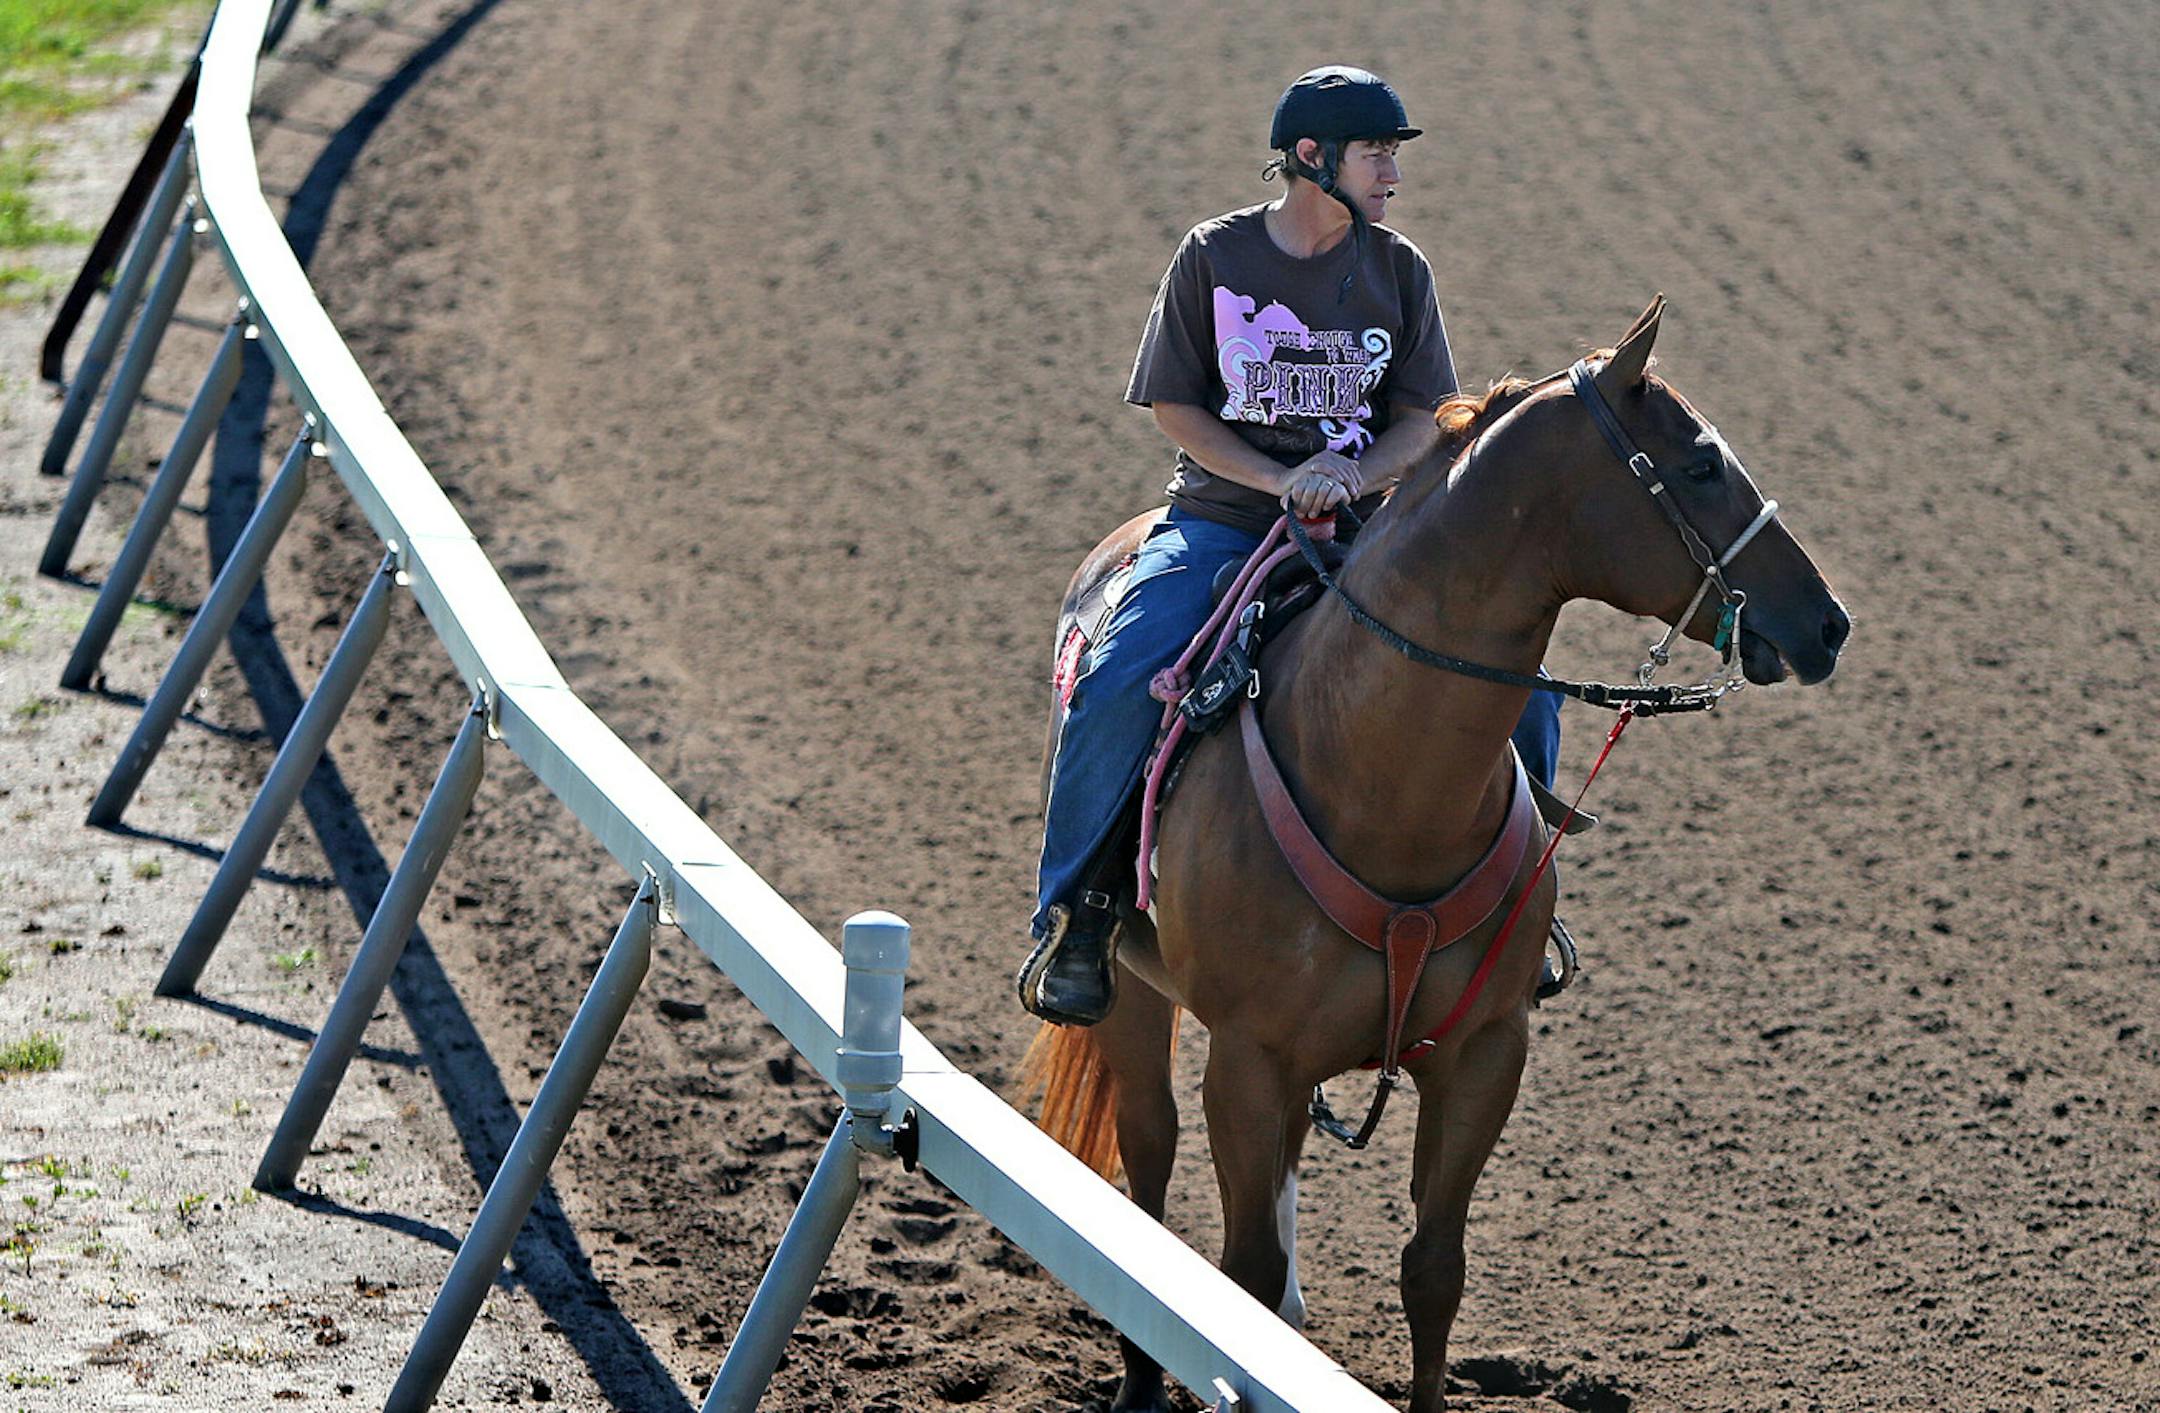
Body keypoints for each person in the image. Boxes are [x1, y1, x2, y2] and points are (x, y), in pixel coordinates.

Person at [1018, 66, 1562, 1027]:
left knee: (1522, 684)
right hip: (1221, 520)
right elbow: (1177, 406)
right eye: (1376, 153)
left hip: (1364, 532)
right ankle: (1078, 912)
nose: (1393, 173)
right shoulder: (1214, 256)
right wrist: (1280, 482)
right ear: (1313, 157)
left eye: (1393, 154)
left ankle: (1521, 902)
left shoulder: (1400, 270)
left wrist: (1349, 478)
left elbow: (1423, 419)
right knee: (1121, 670)